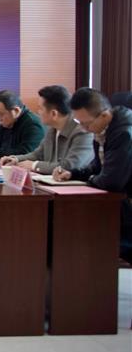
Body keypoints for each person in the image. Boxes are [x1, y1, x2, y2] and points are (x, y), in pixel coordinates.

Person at [54, 88, 132, 262]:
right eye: (79, 122)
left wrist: (89, 180)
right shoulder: (103, 130)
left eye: (86, 124)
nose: (84, 129)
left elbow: (112, 181)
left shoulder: (124, 132)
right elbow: (97, 167)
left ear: (104, 115)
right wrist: (73, 174)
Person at [0, 85, 94, 174]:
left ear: (54, 114)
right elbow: (37, 154)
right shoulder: (52, 130)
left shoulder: (83, 133)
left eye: (41, 109)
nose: (38, 112)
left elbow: (70, 166)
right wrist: (15, 159)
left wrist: (34, 165)